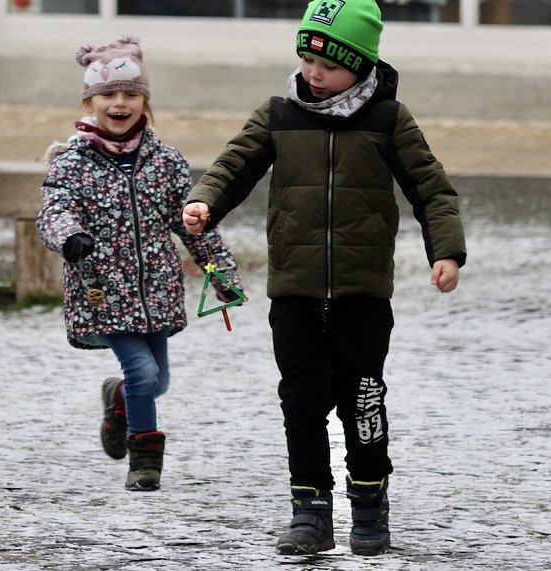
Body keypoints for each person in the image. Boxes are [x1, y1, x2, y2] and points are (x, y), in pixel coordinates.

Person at [183, 0, 467, 556]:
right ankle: (309, 509)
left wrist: (447, 252)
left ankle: (369, 502)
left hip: (362, 293)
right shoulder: (279, 114)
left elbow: (431, 189)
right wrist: (203, 201)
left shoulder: (388, 119)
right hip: (295, 290)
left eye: (329, 65)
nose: (314, 73)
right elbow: (232, 165)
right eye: (307, 58)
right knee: (302, 401)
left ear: (361, 65)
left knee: (362, 398)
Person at [36, 35, 243, 492]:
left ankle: (120, 399)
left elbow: (192, 223)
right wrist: (69, 236)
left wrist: (219, 272)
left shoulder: (165, 162)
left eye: (131, 93)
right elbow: (55, 208)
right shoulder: (73, 163)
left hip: (157, 290)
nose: (120, 102)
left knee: (158, 380)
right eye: (108, 94)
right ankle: (144, 460)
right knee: (144, 374)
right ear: (90, 101)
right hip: (104, 291)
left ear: (144, 101)